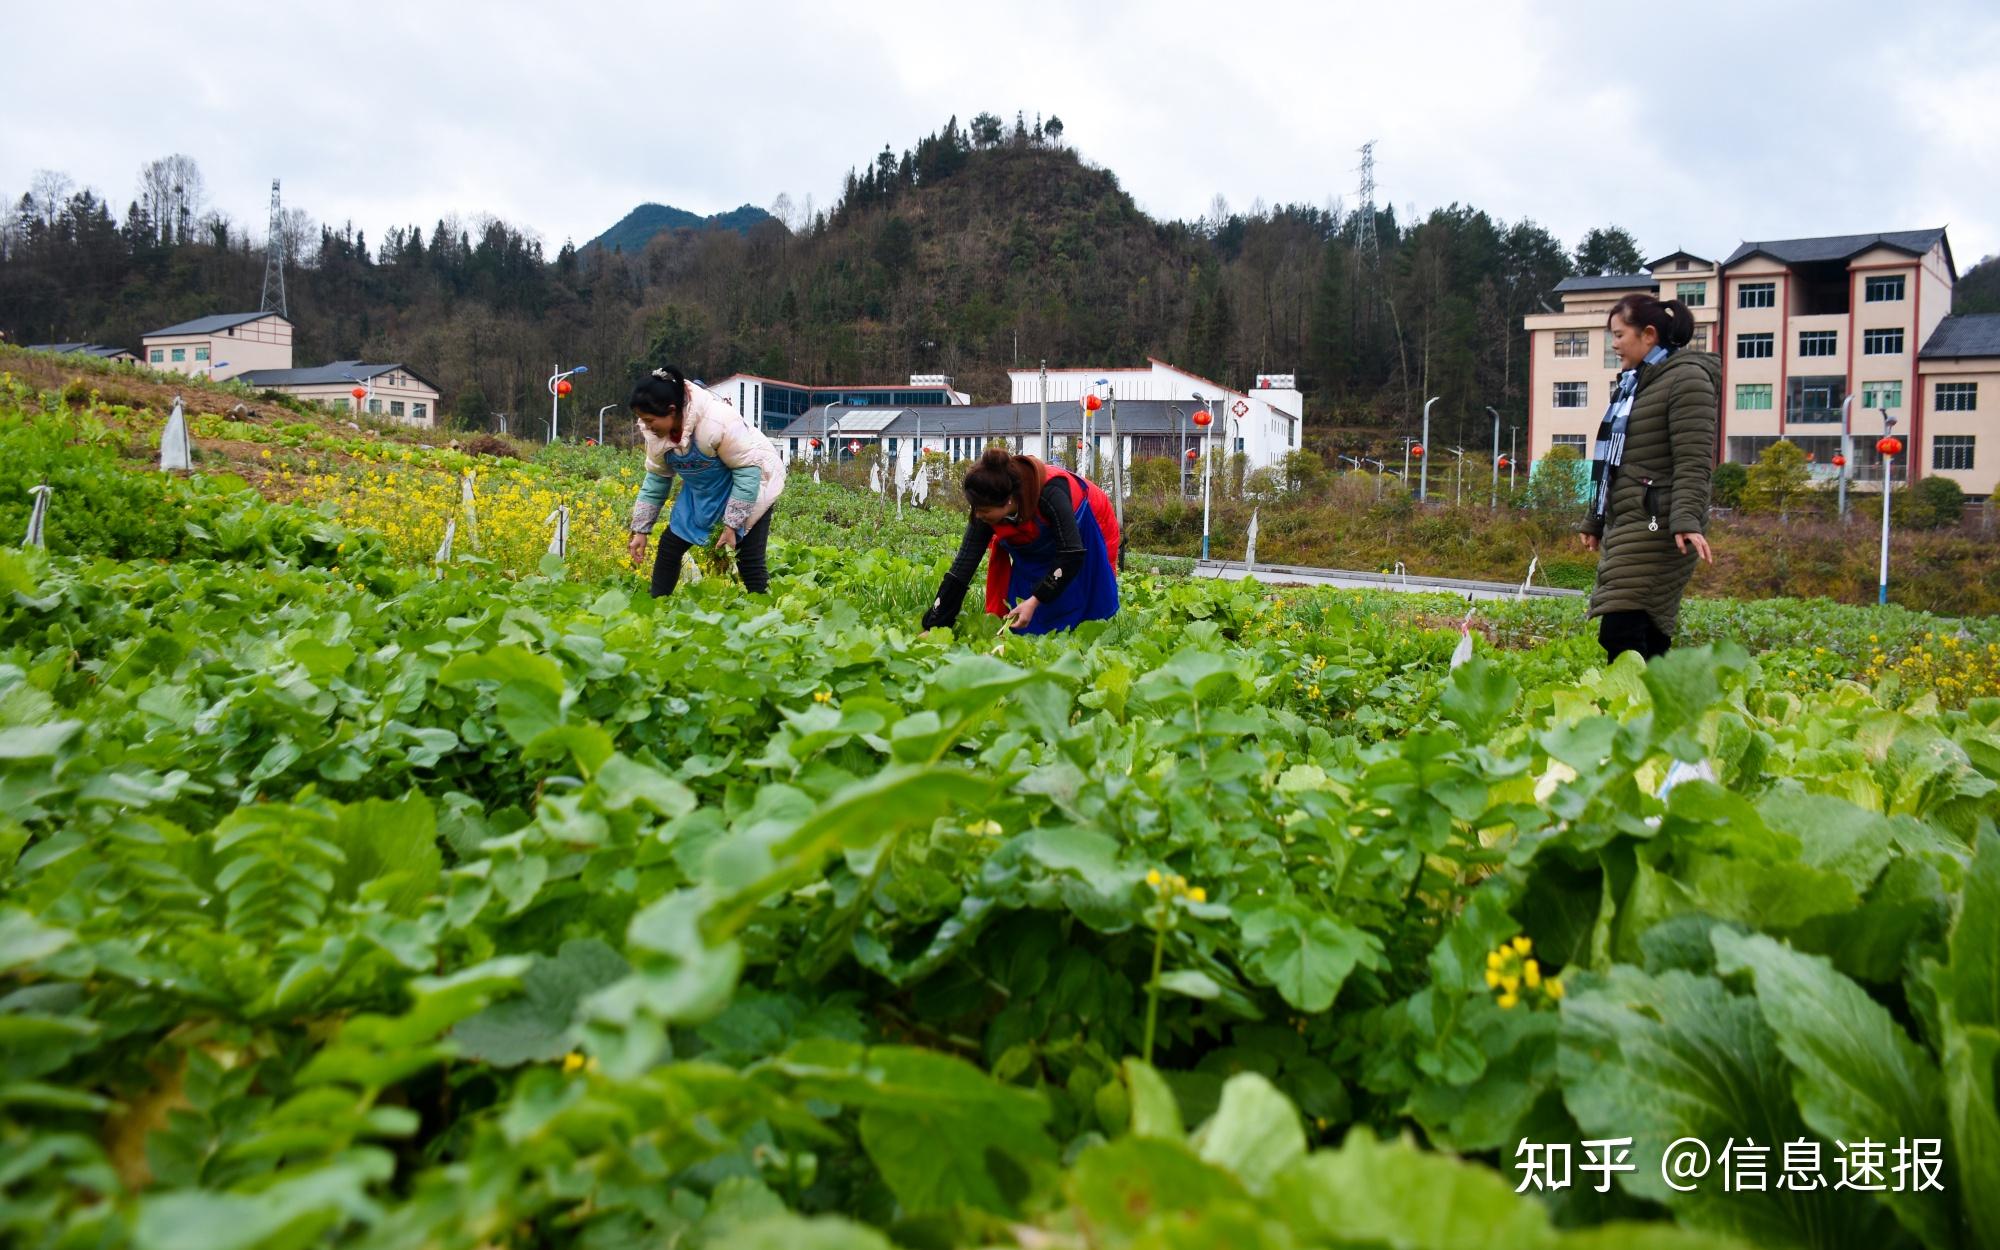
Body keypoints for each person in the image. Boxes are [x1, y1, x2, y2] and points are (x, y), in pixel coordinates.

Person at [1578, 293, 1719, 661]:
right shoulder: (1634, 384)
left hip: (1661, 525)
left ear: (1649, 334)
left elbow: (1693, 462)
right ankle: (1655, 696)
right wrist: (1595, 519)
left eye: (1619, 334)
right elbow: (1616, 460)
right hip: (1630, 522)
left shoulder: (1688, 380)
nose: (1614, 344)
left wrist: (1686, 520)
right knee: (1647, 633)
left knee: (1622, 629)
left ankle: (1632, 696)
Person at [921, 448, 1121, 634]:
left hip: (1091, 521)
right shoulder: (986, 505)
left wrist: (1035, 600)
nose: (978, 515)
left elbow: (1071, 553)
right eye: (975, 508)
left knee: (1081, 596)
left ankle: (1081, 636)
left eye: (984, 511)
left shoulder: (1051, 492)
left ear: (1008, 501)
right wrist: (934, 626)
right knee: (1028, 616)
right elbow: (963, 565)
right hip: (1040, 533)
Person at [625, 366, 786, 596]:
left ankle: (767, 612)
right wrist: (640, 530)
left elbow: (747, 472)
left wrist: (731, 526)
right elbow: (657, 480)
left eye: (650, 420)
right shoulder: (656, 435)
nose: (646, 427)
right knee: (670, 546)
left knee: (748, 559)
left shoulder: (716, 421)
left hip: (752, 483)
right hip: (703, 489)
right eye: (642, 420)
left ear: (671, 410)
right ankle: (656, 604)